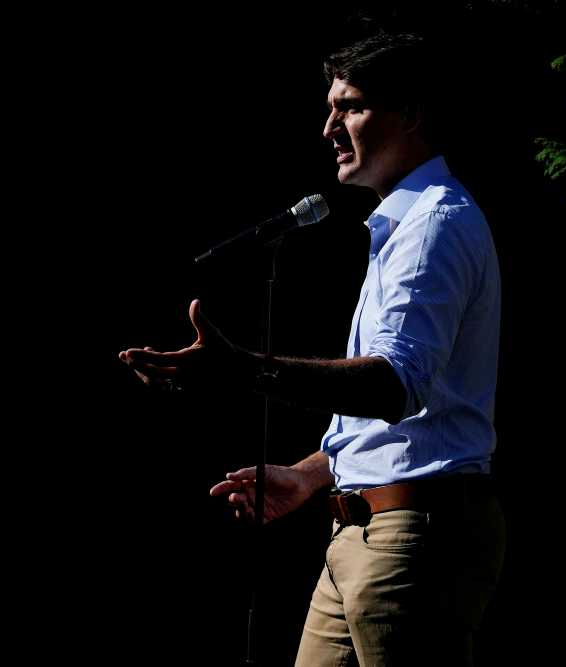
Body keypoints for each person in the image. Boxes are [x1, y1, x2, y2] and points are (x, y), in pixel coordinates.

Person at [119, 31, 504, 666]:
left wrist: (241, 367)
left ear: (410, 114)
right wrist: (308, 475)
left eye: (349, 106)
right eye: (330, 107)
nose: (329, 127)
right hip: (361, 532)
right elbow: (419, 417)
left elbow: (393, 385)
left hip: (411, 538)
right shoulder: (402, 226)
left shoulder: (434, 226)